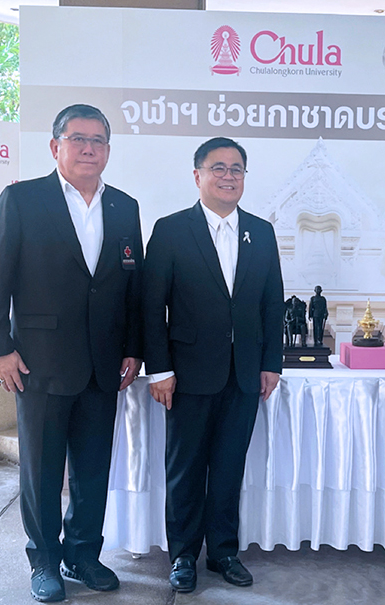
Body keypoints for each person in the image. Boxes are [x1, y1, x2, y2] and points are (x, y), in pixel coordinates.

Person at [0, 104, 143, 602]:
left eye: (98, 140)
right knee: (43, 471)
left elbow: (133, 288)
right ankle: (45, 561)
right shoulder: (22, 200)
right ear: (56, 147)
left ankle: (83, 555)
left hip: (104, 364)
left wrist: (133, 348)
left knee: (93, 470)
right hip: (39, 361)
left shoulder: (125, 207)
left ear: (108, 150)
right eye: (78, 139)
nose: (89, 148)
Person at [143, 137, 284, 593]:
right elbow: (151, 306)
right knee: (185, 469)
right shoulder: (171, 230)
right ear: (198, 175)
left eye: (236, 169)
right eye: (218, 167)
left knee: (228, 468)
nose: (228, 176)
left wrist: (271, 362)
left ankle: (223, 551)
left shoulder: (261, 232)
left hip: (243, 374)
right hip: (187, 374)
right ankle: (183, 555)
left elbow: (271, 303)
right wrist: (159, 369)